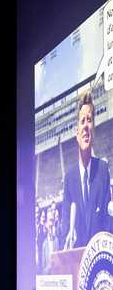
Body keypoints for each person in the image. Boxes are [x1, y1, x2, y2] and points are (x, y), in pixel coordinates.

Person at [62, 91, 111, 249]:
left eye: (89, 120)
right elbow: (65, 230)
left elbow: (108, 223)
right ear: (77, 134)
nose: (85, 126)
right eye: (82, 121)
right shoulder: (69, 178)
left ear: (93, 130)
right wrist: (69, 237)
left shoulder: (102, 170)